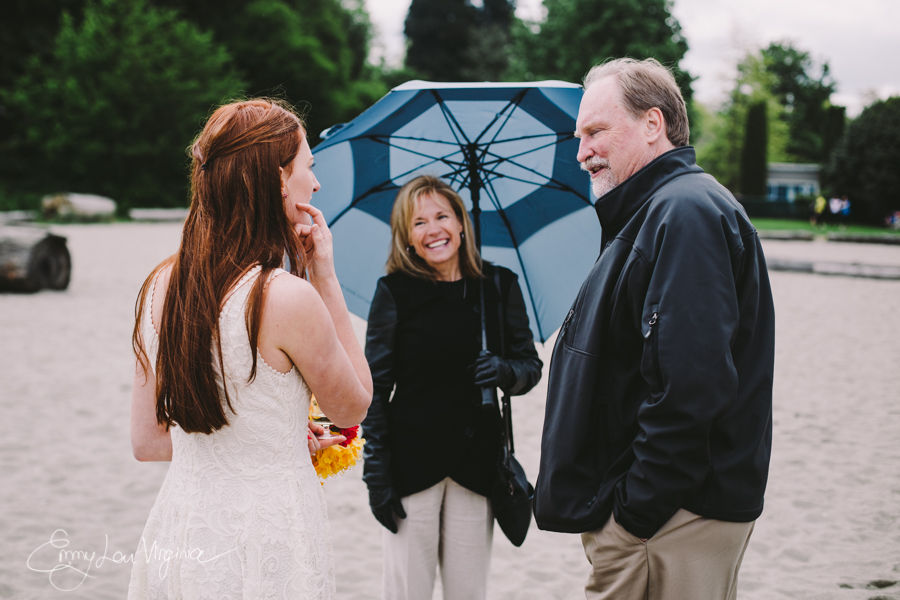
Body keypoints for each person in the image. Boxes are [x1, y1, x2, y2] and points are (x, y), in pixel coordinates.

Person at [533, 58, 775, 600]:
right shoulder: (656, 211)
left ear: (652, 123)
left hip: (672, 520)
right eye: (579, 136)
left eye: (596, 131)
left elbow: (692, 385)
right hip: (663, 515)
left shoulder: (684, 214)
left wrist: (635, 513)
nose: (581, 152)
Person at [128, 99, 372, 599]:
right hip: (268, 536)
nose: (316, 183)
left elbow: (147, 442)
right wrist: (325, 275)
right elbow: (352, 406)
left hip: (183, 527)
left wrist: (269, 438)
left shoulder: (160, 286)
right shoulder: (286, 296)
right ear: (280, 179)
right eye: (310, 165)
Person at [362, 175, 542, 600]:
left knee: (468, 591)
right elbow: (374, 388)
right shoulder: (394, 292)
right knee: (408, 591)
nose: (433, 230)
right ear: (406, 236)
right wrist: (376, 475)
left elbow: (529, 367)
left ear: (461, 222)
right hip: (411, 466)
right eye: (418, 222)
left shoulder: (498, 286)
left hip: (476, 465)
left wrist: (503, 370)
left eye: (442, 216)